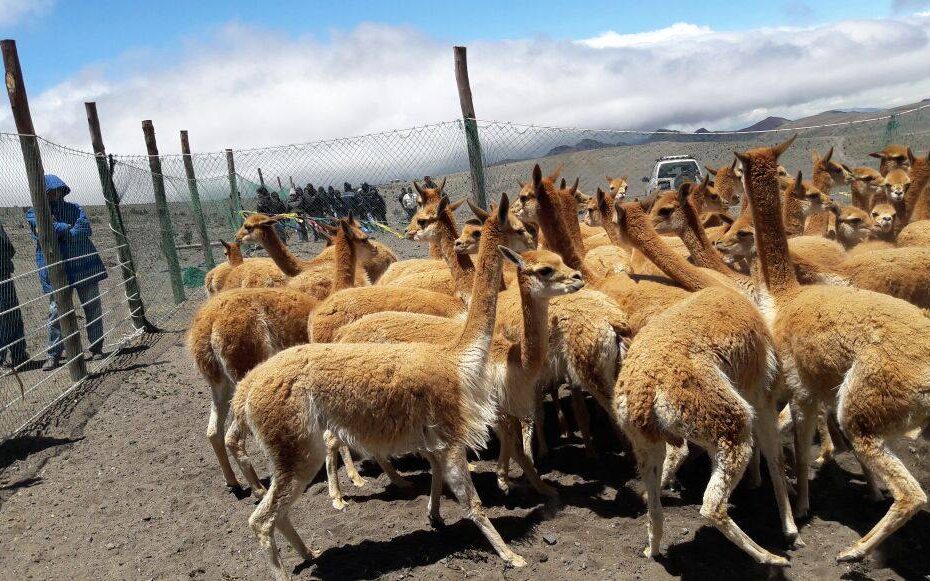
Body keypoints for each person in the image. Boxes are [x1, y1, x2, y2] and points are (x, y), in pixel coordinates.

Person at [26, 175, 107, 370]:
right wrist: (66, 228)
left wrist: (62, 232)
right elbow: (43, 230)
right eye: (49, 191)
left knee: (92, 307)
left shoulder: (75, 208)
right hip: (56, 271)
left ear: (62, 190)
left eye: (57, 190)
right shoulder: (33, 213)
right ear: (41, 193)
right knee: (56, 311)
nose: (54, 194)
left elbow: (85, 228)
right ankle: (54, 354)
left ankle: (96, 348)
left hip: (84, 265)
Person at [0, 220, 29, 370]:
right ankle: (16, 355)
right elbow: (9, 248)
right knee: (7, 316)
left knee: (12, 315)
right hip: (3, 272)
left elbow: (9, 248)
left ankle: (19, 355)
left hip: (4, 273)